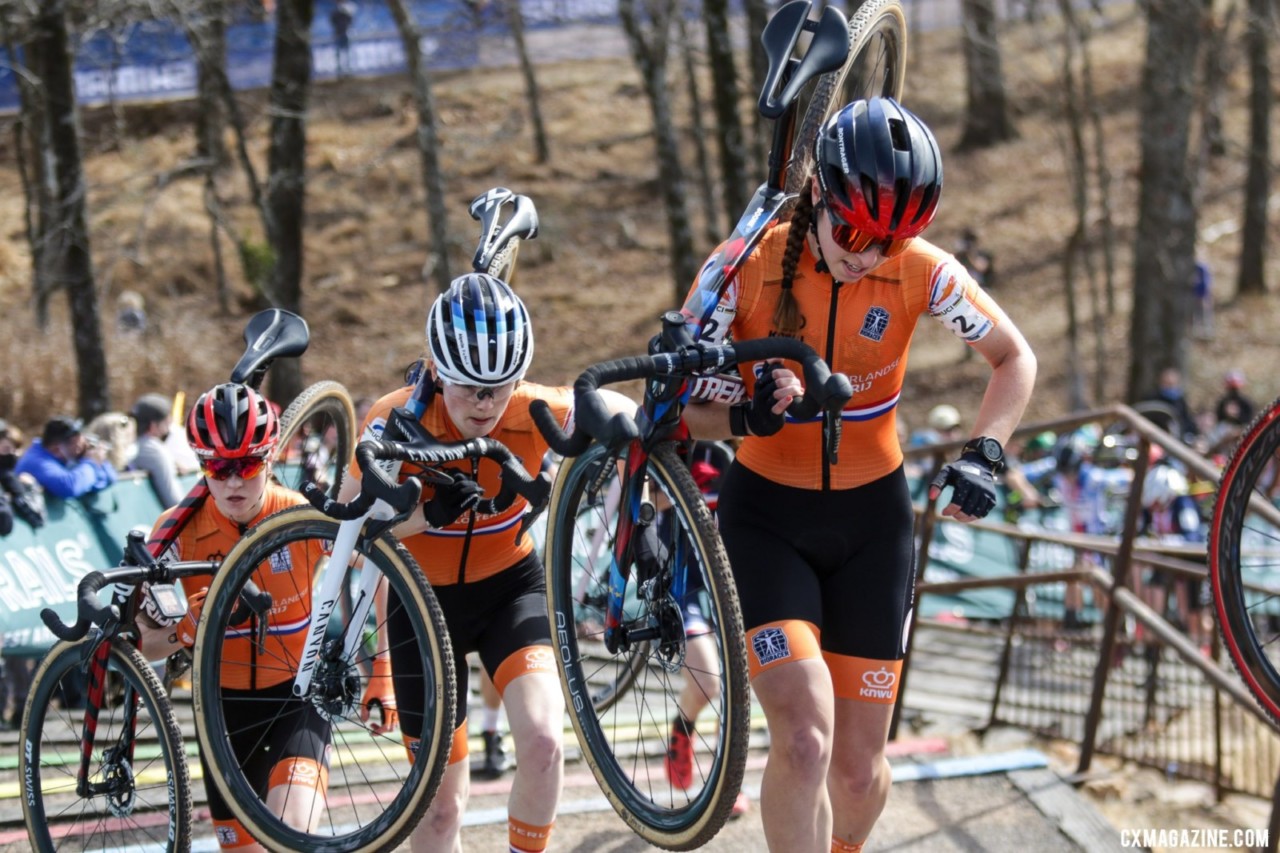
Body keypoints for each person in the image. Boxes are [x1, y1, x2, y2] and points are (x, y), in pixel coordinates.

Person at [680, 97, 1036, 852]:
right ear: (820, 197)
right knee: (804, 738)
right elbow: (674, 413)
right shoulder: (741, 266)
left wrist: (986, 448)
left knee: (854, 768)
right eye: (853, 232)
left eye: (890, 240)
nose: (866, 254)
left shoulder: (921, 272)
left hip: (875, 523)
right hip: (766, 520)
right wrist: (745, 416)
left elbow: (1015, 357)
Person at [343, 273, 635, 853]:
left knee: (545, 743)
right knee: (440, 812)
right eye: (469, 390)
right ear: (436, 371)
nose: (485, 405)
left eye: (499, 388)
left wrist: (635, 511)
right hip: (422, 608)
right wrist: (426, 515)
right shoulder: (394, 418)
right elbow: (352, 534)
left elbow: (626, 413)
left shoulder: (530, 408)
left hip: (510, 588)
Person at [137, 383, 331, 850]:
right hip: (220, 709)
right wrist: (189, 628)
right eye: (218, 468)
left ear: (269, 458)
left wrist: (383, 674)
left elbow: (382, 569)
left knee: (294, 834)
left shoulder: (298, 514)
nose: (232, 482)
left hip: (297, 697)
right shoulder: (176, 530)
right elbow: (143, 644)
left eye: (246, 465)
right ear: (202, 465)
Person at [16, 415, 117, 500]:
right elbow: (68, 487)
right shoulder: (36, 462)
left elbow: (108, 479)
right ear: (56, 449)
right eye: (77, 446)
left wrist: (96, 460)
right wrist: (91, 462)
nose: (82, 446)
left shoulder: (65, 459)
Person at [129, 393, 185, 509]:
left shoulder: (126, 444)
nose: (171, 421)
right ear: (153, 425)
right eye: (167, 417)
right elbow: (174, 500)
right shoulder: (153, 450)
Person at [330, 0, 356, 77]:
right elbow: (332, 20)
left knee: (348, 53)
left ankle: (348, 70)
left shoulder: (348, 9)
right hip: (338, 34)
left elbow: (351, 19)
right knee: (338, 53)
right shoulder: (335, 11)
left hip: (346, 33)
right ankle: (339, 71)